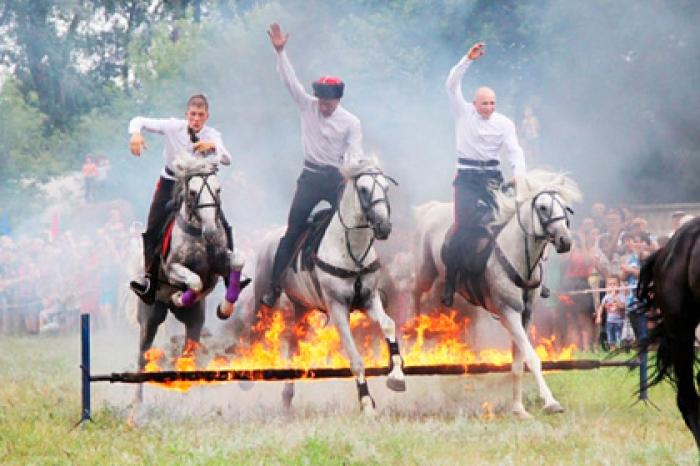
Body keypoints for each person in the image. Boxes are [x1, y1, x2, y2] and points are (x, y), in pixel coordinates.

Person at [261, 22, 364, 308]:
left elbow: (355, 154)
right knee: (293, 230)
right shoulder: (307, 106)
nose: (324, 105)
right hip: (309, 178)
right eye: (321, 100)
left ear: (338, 100)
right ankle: (273, 285)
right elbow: (289, 82)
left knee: (353, 225)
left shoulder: (351, 122)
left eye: (329, 102)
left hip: (336, 179)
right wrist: (281, 53)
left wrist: (352, 172)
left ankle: (358, 281)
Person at [441, 41, 526, 307]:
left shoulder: (505, 123)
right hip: (467, 178)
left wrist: (519, 174)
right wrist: (468, 59)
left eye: (492, 103)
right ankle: (451, 280)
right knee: (462, 227)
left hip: (492, 178)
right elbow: (451, 85)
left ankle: (524, 279)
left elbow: (515, 151)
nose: (488, 107)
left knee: (512, 221)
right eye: (484, 103)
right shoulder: (462, 112)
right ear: (474, 103)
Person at [128, 94, 233, 304]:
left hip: (197, 186)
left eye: (200, 115)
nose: (196, 119)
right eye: (193, 114)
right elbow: (139, 120)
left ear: (206, 116)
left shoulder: (212, 134)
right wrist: (135, 134)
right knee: (153, 227)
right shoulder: (173, 126)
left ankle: (230, 275)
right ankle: (149, 279)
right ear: (187, 115)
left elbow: (228, 158)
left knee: (222, 222)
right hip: (170, 183)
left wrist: (213, 147)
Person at [595, 275, 625, 349]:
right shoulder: (606, 297)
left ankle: (619, 348)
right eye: (610, 284)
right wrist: (599, 316)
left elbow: (622, 307)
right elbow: (601, 307)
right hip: (609, 321)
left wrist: (615, 297)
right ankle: (612, 348)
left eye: (614, 284)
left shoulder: (621, 296)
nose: (612, 286)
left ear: (619, 285)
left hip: (619, 321)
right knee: (610, 337)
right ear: (606, 286)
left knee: (618, 336)